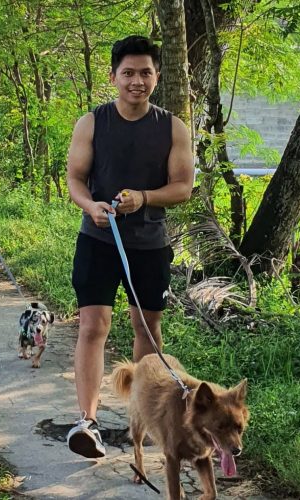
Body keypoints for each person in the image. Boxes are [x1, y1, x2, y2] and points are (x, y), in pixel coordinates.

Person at [64, 35, 194, 458]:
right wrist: (90, 206)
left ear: (157, 76)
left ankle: (142, 418)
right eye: (128, 73)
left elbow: (183, 187)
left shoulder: (172, 127)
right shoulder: (92, 123)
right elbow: (75, 180)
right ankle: (88, 420)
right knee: (92, 325)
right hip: (98, 239)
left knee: (147, 331)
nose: (137, 81)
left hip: (149, 245)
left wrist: (144, 197)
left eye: (145, 73)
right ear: (113, 76)